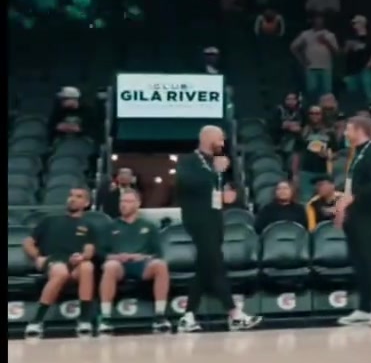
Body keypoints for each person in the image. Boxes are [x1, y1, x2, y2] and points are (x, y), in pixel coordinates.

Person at [174, 125, 261, 333]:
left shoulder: (216, 161)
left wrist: (228, 193)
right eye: (220, 139)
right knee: (215, 264)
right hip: (197, 217)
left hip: (215, 217)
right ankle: (234, 313)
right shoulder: (188, 160)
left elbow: (222, 188)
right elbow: (186, 183)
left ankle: (187, 316)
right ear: (207, 138)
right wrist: (215, 171)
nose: (222, 143)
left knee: (206, 265)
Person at [335, 115, 371, 327]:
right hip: (355, 215)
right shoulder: (357, 153)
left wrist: (354, 197)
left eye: (348, 129)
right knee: (358, 262)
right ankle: (364, 307)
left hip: (370, 215)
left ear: (359, 130)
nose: (345, 133)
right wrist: (342, 204)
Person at [21, 187, 99, 339]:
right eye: (71, 195)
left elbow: (89, 250)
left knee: (87, 266)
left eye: (78, 196)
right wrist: (37, 257)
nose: (72, 199)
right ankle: (37, 320)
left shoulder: (89, 225)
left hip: (74, 263)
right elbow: (28, 242)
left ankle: (84, 320)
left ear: (86, 203)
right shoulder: (50, 220)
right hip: (53, 260)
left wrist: (82, 257)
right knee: (61, 271)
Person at [99, 189, 172, 336]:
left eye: (128, 201)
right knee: (110, 266)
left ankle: (160, 315)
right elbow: (101, 253)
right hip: (119, 266)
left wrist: (142, 257)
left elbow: (158, 253)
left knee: (161, 265)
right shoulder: (110, 226)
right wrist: (116, 257)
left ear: (138, 204)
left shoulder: (149, 226)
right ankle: (105, 317)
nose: (123, 205)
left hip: (142, 265)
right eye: (122, 201)